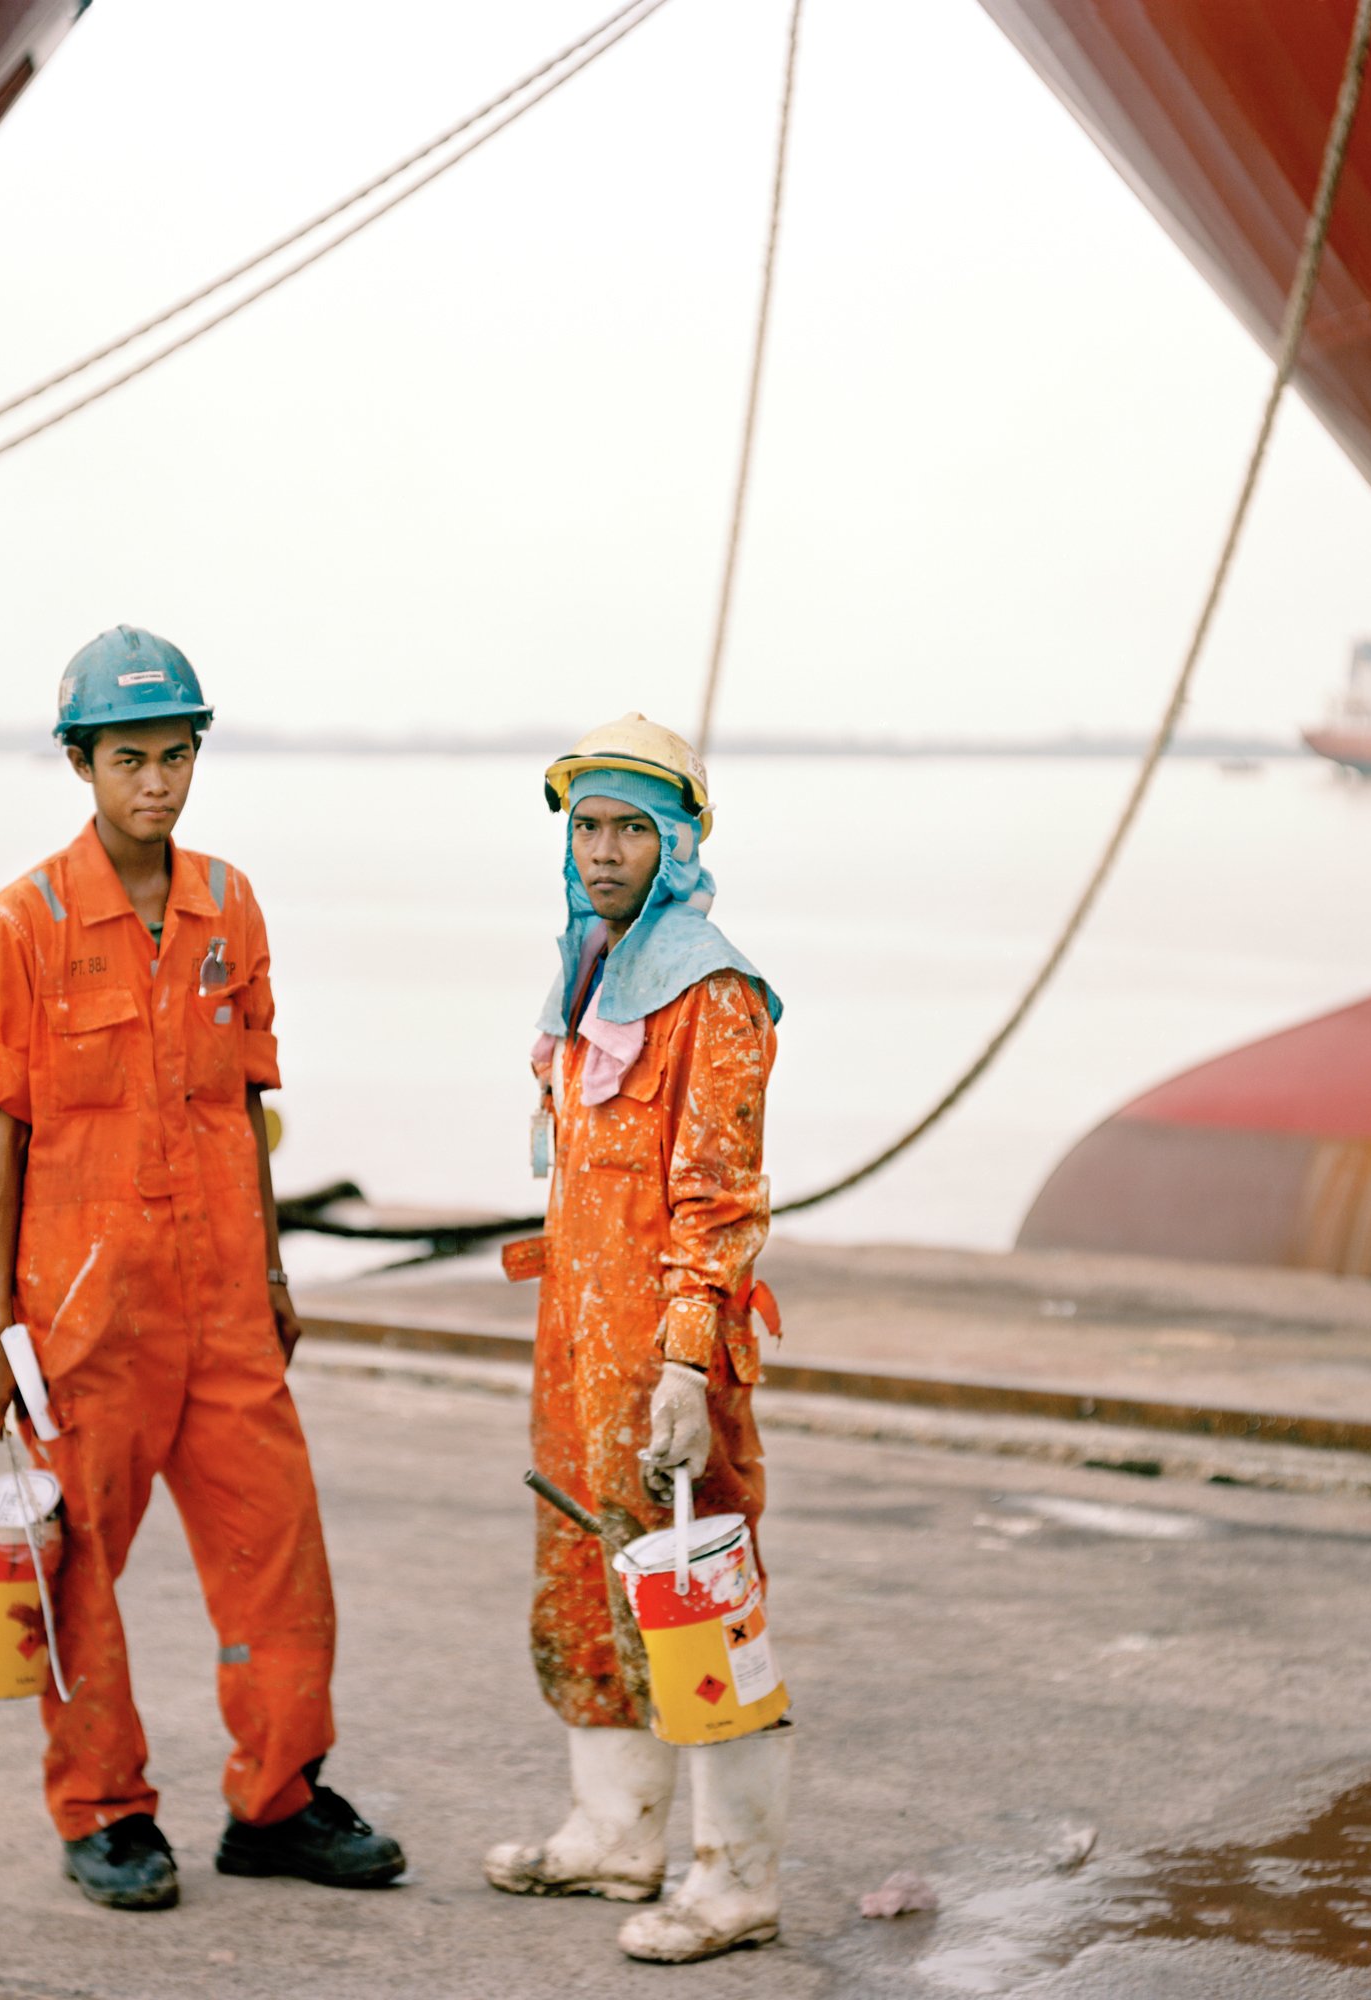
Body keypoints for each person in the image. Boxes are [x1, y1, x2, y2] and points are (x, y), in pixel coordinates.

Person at [0, 625, 404, 1911]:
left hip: (223, 1302)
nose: (156, 782)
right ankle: (102, 1808)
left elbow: (247, 1108)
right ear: (82, 765)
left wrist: (269, 1272)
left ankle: (277, 1797)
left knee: (277, 1551)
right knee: (78, 1561)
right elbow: (4, 1135)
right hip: (86, 1308)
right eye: (129, 758)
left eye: (175, 755)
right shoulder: (23, 923)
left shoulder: (231, 903)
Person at [483, 713, 789, 1963]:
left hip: (664, 1358)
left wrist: (681, 1359)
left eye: (629, 828)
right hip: (573, 1345)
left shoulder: (710, 991)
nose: (604, 850)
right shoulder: (585, 977)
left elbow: (719, 1197)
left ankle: (736, 1878)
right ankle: (614, 1831)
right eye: (587, 827)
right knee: (581, 1574)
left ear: (679, 841)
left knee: (698, 1596)